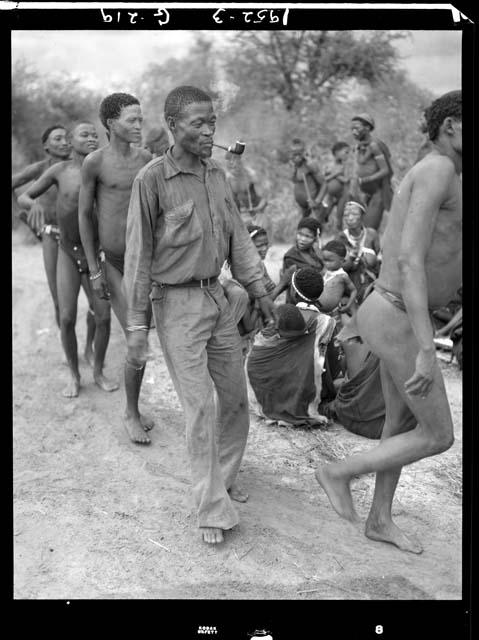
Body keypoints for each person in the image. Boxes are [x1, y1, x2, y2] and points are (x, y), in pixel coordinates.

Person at [123, 85, 276, 545]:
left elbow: (238, 239)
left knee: (234, 401)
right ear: (173, 126)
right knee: (200, 407)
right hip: (176, 306)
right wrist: (136, 327)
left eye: (212, 122)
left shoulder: (216, 175)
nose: (210, 131)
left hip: (218, 301)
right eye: (199, 123)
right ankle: (210, 508)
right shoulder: (150, 180)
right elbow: (138, 258)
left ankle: (222, 480)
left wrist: (259, 288)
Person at [315, 90, 462, 554]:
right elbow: (410, 260)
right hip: (399, 314)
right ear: (452, 126)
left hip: (397, 311)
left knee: (397, 427)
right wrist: (426, 347)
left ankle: (379, 519)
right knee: (438, 435)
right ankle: (337, 472)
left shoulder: (449, 172)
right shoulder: (437, 169)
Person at [18, 123, 118, 398]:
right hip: (67, 250)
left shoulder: (105, 169)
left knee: (104, 316)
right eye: (84, 135)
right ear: (73, 141)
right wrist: (31, 205)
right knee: (66, 317)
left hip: (95, 253)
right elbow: (25, 195)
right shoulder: (58, 171)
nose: (91, 138)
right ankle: (74, 375)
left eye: (94, 135)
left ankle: (97, 371)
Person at [79, 92, 154, 444]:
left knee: (140, 336)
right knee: (136, 338)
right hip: (113, 263)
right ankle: (130, 412)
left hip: (144, 264)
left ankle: (134, 405)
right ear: (111, 124)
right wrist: (94, 269)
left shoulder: (147, 160)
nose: (139, 125)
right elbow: (84, 215)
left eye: (141, 119)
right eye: (131, 120)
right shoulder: (95, 162)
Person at [12, 126, 82, 333]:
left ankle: (91, 349)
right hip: (52, 235)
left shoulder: (82, 166)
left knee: (98, 301)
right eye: (57, 139)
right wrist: (24, 214)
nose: (64, 142)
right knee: (60, 300)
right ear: (46, 146)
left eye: (66, 138)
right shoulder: (39, 169)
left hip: (82, 237)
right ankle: (69, 347)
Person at [247, 300, 335, 428]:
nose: (302, 338)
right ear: (278, 330)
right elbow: (256, 379)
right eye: (295, 337)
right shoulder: (262, 346)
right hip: (270, 396)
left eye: (303, 333)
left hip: (301, 393)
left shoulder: (309, 333)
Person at [349, 113, 394, 231]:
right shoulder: (359, 146)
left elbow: (385, 170)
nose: (354, 131)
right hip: (363, 194)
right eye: (352, 129)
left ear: (367, 128)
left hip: (377, 193)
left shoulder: (374, 146)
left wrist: (365, 180)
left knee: (369, 229)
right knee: (357, 230)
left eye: (357, 128)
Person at [338, 200, 380, 304]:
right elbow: (338, 267)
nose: (350, 218)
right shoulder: (341, 238)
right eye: (346, 215)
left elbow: (379, 259)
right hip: (350, 288)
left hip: (372, 285)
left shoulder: (372, 235)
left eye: (354, 214)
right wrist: (352, 258)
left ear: (362, 216)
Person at [225, 151, 269, 232]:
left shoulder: (251, 175)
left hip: (257, 215)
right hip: (240, 217)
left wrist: (257, 209)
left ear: (241, 162)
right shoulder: (228, 179)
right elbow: (230, 203)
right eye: (231, 166)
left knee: (260, 233)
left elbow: (264, 198)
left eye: (237, 163)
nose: (235, 166)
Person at [282, 217, 323, 303]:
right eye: (300, 234)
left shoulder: (318, 252)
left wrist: (320, 254)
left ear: (316, 238)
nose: (302, 239)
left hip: (318, 298)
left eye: (308, 236)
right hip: (298, 302)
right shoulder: (290, 257)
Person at [315, 141, 351, 228]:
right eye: (346, 152)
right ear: (337, 152)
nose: (348, 155)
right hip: (330, 195)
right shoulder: (329, 165)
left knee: (339, 217)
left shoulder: (345, 166)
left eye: (348, 153)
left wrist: (334, 174)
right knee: (323, 216)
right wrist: (335, 174)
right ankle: (317, 235)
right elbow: (325, 180)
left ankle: (339, 237)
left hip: (342, 195)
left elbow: (346, 180)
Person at [318, 240, 357, 317]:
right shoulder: (325, 271)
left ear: (341, 260)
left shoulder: (342, 276)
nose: (326, 263)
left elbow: (354, 290)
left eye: (330, 261)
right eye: (325, 260)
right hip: (318, 312)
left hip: (334, 313)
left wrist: (348, 306)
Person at [289, 138, 324, 218]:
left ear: (304, 152)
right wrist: (294, 169)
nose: (297, 156)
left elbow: (324, 184)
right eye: (294, 154)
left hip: (314, 206)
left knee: (314, 227)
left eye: (299, 153)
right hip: (304, 207)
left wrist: (317, 201)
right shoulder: (294, 166)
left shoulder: (310, 165)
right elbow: (295, 181)